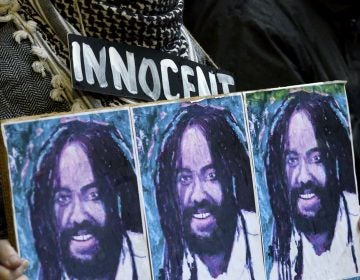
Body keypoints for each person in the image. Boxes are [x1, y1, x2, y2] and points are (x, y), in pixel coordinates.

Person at [29, 120, 150, 279]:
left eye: (94, 195)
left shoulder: (152, 260)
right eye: (63, 198)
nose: (78, 216)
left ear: (116, 197)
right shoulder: (36, 272)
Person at [155, 104, 265, 279]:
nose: (198, 195)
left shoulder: (265, 243)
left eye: (212, 175)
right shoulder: (163, 264)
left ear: (231, 176)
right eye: (185, 178)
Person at [266, 91, 359, 280]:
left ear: (334, 160)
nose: (303, 177)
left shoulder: (354, 216)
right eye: (292, 160)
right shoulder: (277, 252)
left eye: (316, 158)